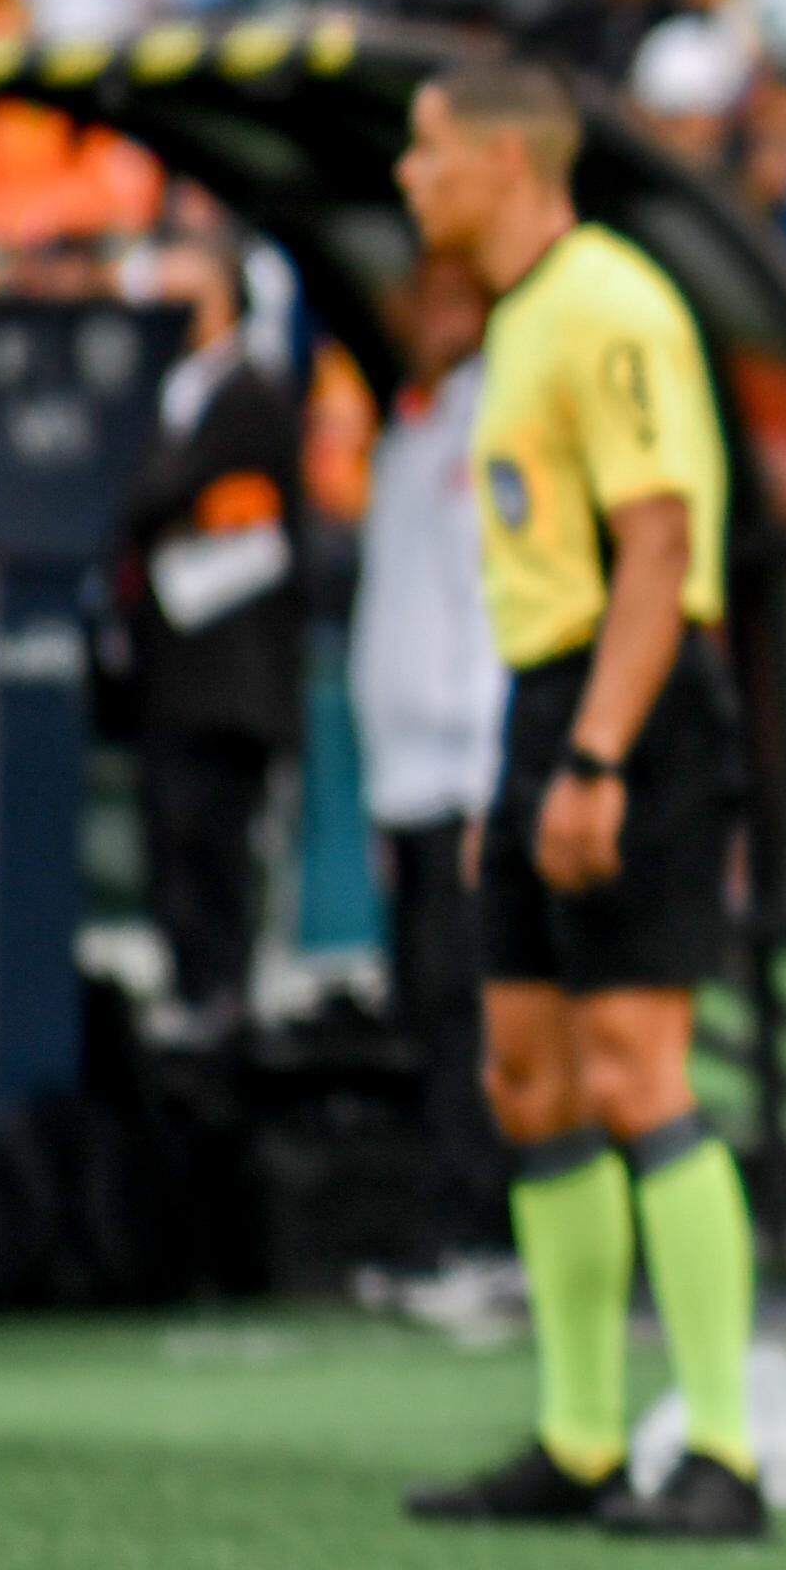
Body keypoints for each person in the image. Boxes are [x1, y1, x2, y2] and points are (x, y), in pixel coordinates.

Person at [394, 61, 767, 1541]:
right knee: (528, 1073)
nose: (410, 179)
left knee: (632, 1063)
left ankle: (725, 1452)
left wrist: (599, 756)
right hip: (553, 696)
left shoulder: (610, 303)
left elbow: (661, 550)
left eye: (427, 151)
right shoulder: (519, 316)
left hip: (644, 696)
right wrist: (529, 760)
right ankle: (581, 1433)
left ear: (501, 157)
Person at [351, 253, 513, 1267]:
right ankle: (453, 1220)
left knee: (475, 1012)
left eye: (443, 295)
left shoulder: (497, 421)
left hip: (466, 775)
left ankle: (488, 1233)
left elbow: (494, 608)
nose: (418, 313)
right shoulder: (410, 426)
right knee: (425, 1004)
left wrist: (493, 775)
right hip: (405, 774)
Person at [116, 229, 306, 1048]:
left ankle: (221, 1012)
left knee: (214, 848)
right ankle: (192, 1003)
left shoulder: (251, 400)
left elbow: (157, 496)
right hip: (166, 677)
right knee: (170, 847)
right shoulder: (164, 396)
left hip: (230, 683)